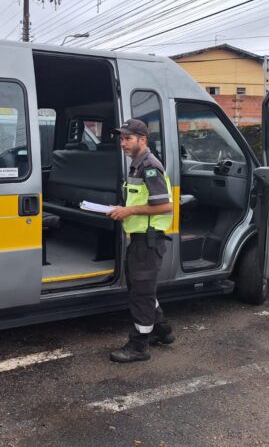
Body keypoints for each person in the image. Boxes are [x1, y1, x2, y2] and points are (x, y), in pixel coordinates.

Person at [107, 119, 175, 363]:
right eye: (121, 138)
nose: (123, 143)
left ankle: (138, 347)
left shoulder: (149, 166)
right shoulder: (136, 165)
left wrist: (129, 212)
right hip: (140, 240)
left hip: (149, 241)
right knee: (140, 289)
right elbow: (139, 200)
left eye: (127, 138)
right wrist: (123, 208)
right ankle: (162, 330)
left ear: (142, 140)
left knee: (141, 293)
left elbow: (166, 205)